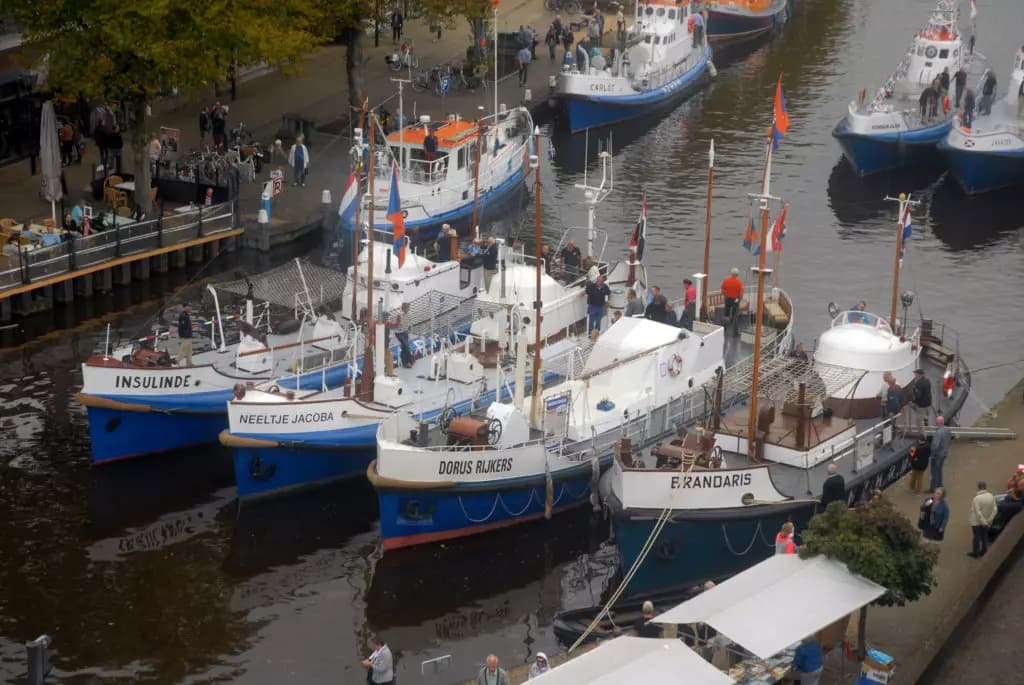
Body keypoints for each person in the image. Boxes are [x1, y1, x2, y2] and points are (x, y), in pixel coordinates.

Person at [968, 481, 996, 558]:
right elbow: (995, 509)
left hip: (976, 522)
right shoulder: (991, 496)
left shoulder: (976, 498)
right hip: (987, 520)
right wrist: (989, 520)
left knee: (976, 537)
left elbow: (978, 513)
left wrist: (984, 522)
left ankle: (975, 553)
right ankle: (984, 551)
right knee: (984, 536)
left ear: (978, 487)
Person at [388, 302, 414, 368]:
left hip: (405, 332)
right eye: (407, 308)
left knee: (404, 347)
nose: (408, 309)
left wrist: (409, 331)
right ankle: (410, 360)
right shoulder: (399, 315)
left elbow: (410, 323)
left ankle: (405, 363)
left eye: (408, 308)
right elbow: (395, 324)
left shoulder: (409, 314)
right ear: (404, 308)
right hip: (399, 333)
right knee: (406, 347)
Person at [930, 415, 952, 490]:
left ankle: (933, 488)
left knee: (934, 472)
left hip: (937, 455)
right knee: (939, 470)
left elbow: (935, 446)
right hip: (944, 453)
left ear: (938, 423)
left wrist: (932, 452)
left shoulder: (938, 433)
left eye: (936, 422)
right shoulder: (947, 429)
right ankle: (940, 485)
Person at [720, 267, 744, 333]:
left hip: (727, 298)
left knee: (726, 314)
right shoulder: (739, 283)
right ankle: (735, 331)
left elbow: (722, 290)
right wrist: (738, 300)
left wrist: (726, 295)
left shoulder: (726, 280)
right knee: (735, 314)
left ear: (731, 273)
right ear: (737, 274)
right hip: (735, 299)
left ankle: (724, 328)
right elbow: (741, 294)